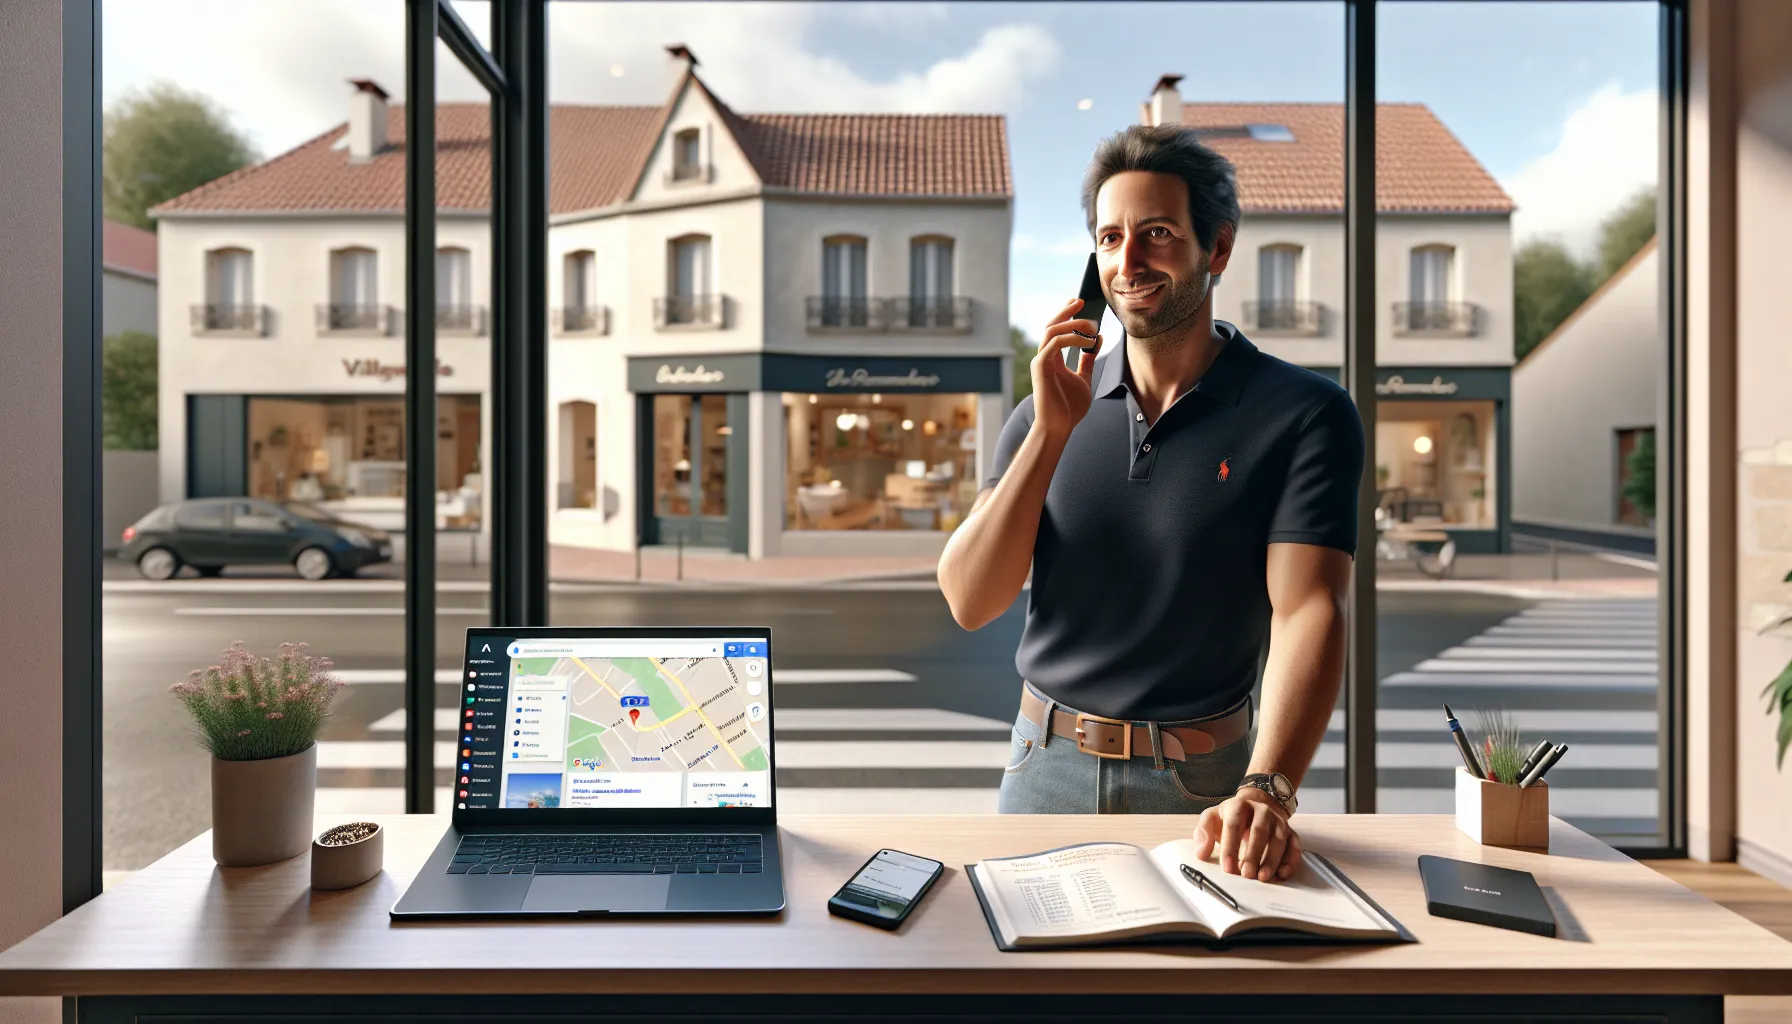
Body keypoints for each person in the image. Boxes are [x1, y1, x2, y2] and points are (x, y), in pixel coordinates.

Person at [938, 124, 1365, 883]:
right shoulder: (1046, 408)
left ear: (1218, 248)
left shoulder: (1304, 413)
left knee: (1191, 999)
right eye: (1109, 238)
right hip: (1042, 769)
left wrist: (1268, 791)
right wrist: (1049, 432)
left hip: (1204, 786)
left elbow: (1310, 609)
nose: (1127, 263)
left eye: (1157, 234)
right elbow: (972, 599)